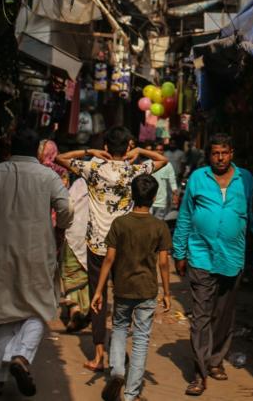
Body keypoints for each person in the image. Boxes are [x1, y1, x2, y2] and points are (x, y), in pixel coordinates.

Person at [0, 129, 72, 398]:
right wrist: (62, 228)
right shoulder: (48, 176)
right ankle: (21, 356)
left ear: (10, 150)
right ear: (36, 151)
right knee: (40, 306)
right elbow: (66, 208)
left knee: (0, 312)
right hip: (37, 252)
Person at [58, 127, 169, 372]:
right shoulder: (135, 170)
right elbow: (163, 160)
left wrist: (89, 151)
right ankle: (117, 351)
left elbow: (60, 158)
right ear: (128, 146)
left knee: (98, 299)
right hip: (124, 245)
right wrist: (139, 151)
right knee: (122, 298)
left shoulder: (93, 168)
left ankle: (99, 355)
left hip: (97, 245)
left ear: (106, 147)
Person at [173, 133, 253, 396]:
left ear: (232, 153)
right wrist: (179, 252)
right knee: (201, 317)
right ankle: (200, 372)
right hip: (200, 256)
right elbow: (185, 216)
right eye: (215, 153)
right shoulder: (198, 178)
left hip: (232, 257)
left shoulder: (246, 180)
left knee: (224, 314)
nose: (220, 158)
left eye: (224, 153)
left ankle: (215, 360)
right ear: (209, 155)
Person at [90, 174, 173, 401]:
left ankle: (117, 371)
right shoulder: (160, 226)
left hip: (122, 288)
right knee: (141, 338)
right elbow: (164, 263)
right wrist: (166, 292)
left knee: (118, 329)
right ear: (155, 197)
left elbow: (108, 260)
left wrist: (98, 291)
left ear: (131, 196)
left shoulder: (120, 224)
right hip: (147, 290)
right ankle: (130, 394)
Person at [39, 139, 92, 331]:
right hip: (69, 227)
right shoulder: (62, 174)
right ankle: (80, 308)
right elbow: (65, 204)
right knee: (80, 272)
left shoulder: (34, 171)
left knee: (65, 270)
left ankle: (73, 307)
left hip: (49, 225)